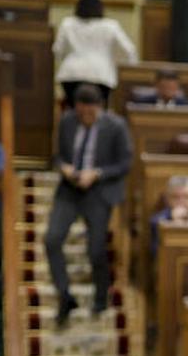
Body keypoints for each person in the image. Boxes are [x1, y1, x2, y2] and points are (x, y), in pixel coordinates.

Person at [44, 85, 131, 327]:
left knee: (95, 250)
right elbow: (57, 156)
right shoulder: (67, 121)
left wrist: (98, 173)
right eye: (81, 113)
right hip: (69, 190)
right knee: (51, 239)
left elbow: (125, 163)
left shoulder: (116, 126)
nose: (85, 118)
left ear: (99, 108)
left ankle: (101, 297)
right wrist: (64, 167)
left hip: (98, 191)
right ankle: (65, 295)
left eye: (89, 114)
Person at [53, 0, 138, 107]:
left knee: (74, 111)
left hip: (71, 73)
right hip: (101, 75)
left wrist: (64, 60)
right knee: (99, 114)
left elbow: (57, 50)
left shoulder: (67, 23)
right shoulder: (110, 26)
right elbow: (129, 50)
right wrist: (125, 69)